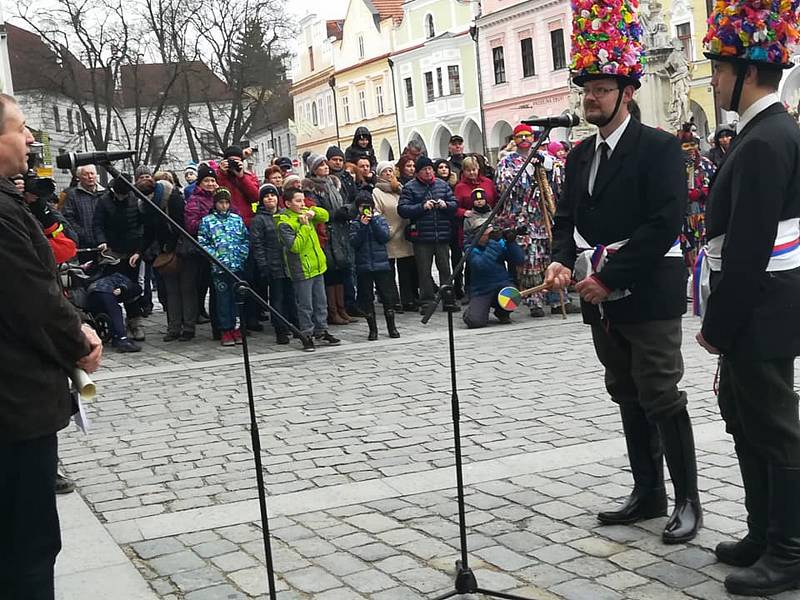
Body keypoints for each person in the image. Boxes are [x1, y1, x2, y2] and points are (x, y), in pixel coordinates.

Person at [545, 0, 702, 546]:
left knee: (661, 391)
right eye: (586, 88)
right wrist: (561, 258)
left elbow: (665, 225)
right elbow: (566, 220)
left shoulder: (658, 147)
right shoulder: (578, 156)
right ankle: (647, 491)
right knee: (625, 391)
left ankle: (686, 500)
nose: (591, 97)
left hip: (647, 291)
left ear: (628, 92)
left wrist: (610, 277)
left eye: (603, 89)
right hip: (598, 296)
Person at [696, 5, 800, 596]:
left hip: (760, 307)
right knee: (746, 420)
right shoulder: (765, 131)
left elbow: (752, 246)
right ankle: (764, 531)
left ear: (748, 71)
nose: (713, 80)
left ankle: (789, 549)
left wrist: (720, 324)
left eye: (718, 68)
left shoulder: (766, 139)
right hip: (759, 307)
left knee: (774, 425)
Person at [0, 92, 102, 600]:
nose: (30, 139)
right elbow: (30, 294)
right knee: (27, 546)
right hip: (14, 404)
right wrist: (78, 335)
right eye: (20, 129)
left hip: (17, 398)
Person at [494, 124, 561, 317]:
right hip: (524, 221)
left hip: (544, 218)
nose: (524, 139)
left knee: (551, 258)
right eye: (520, 136)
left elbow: (558, 172)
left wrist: (547, 167)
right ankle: (535, 301)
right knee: (530, 262)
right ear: (514, 140)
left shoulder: (542, 157)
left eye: (527, 136)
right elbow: (507, 186)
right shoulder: (507, 162)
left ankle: (558, 299)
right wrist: (527, 172)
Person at [276, 187, 340, 351]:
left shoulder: (306, 212)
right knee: (305, 304)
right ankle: (306, 334)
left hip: (316, 265)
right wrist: (304, 226)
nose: (301, 203)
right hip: (301, 269)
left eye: (302, 200)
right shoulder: (284, 222)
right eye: (298, 201)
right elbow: (295, 247)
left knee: (321, 302)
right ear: (288, 203)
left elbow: (325, 216)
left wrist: (313, 210)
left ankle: (321, 330)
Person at [398, 156, 457, 313]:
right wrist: (422, 207)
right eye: (425, 170)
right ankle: (427, 302)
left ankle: (448, 300)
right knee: (424, 271)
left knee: (445, 269)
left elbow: (454, 204)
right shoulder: (410, 187)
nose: (428, 172)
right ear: (417, 172)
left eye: (430, 169)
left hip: (442, 234)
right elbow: (403, 209)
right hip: (422, 236)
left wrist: (446, 204)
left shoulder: (442, 185)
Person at [304, 153, 356, 326]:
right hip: (326, 231)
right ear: (314, 169)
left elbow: (347, 200)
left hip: (340, 231)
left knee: (341, 270)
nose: (326, 167)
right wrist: (335, 214)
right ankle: (332, 311)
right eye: (321, 165)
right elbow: (317, 210)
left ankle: (342, 308)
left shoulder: (334, 183)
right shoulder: (310, 187)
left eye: (326, 165)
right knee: (331, 272)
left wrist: (348, 210)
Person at [93, 174, 147, 342]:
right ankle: (114, 322)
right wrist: (102, 241)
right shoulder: (104, 201)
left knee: (131, 288)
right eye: (119, 194)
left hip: (132, 250)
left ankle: (134, 321)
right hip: (112, 251)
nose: (122, 197)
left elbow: (143, 227)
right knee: (112, 287)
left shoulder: (136, 200)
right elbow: (97, 224)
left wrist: (139, 250)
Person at [143, 178, 198, 342]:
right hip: (165, 253)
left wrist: (171, 244)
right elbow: (149, 231)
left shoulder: (173, 198)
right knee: (171, 291)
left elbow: (182, 225)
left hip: (184, 250)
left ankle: (188, 327)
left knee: (187, 288)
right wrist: (141, 250)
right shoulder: (147, 206)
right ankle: (174, 327)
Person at [198, 188, 249, 347]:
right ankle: (225, 329)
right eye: (221, 202)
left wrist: (241, 256)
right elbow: (203, 242)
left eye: (227, 202)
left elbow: (245, 240)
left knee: (237, 298)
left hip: (236, 266)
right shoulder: (207, 221)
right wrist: (216, 258)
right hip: (219, 268)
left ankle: (238, 328)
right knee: (223, 299)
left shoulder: (236, 220)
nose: (224, 206)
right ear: (215, 203)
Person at [349, 191, 400, 340]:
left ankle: (392, 327)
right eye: (362, 207)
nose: (366, 210)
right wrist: (363, 226)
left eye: (368, 206)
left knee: (387, 296)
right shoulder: (355, 223)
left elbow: (384, 237)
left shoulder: (380, 220)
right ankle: (373, 329)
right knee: (367, 297)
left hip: (381, 264)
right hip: (363, 266)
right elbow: (354, 243)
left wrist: (373, 222)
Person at [251, 183, 297, 345]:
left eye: (273, 195)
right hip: (273, 264)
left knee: (291, 296)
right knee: (277, 297)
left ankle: (295, 325)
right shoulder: (259, 219)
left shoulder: (285, 214)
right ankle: (280, 328)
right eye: (266, 196)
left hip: (288, 263)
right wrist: (263, 265)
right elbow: (257, 244)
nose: (270, 198)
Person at [372, 160, 417, 311]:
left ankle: (408, 299)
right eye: (385, 171)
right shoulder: (376, 192)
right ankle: (392, 301)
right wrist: (386, 229)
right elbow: (376, 213)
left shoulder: (399, 188)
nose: (388, 174)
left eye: (390, 171)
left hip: (404, 234)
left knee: (405, 270)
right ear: (380, 174)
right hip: (389, 234)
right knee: (389, 272)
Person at [462, 225, 524, 328]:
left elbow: (519, 260)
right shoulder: (470, 248)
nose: (493, 236)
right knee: (474, 322)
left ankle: (502, 312)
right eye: (489, 234)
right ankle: (472, 311)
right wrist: (493, 243)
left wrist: (511, 242)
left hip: (501, 285)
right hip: (481, 291)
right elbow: (481, 265)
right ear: (479, 235)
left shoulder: (499, 244)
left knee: (512, 293)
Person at [676, 125, 716, 268]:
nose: (690, 148)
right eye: (686, 145)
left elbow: (717, 186)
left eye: (692, 144)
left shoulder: (706, 164)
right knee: (687, 255)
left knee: (704, 253)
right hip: (682, 219)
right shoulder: (674, 166)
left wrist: (704, 191)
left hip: (703, 216)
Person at [215, 145, 260, 228]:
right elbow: (219, 195)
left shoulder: (249, 176)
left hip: (246, 222)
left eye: (237, 161)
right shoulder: (217, 176)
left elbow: (255, 197)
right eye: (231, 161)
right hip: (225, 223)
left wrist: (242, 178)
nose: (234, 164)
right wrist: (222, 174)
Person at [62, 163, 105, 248]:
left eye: (92, 173)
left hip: (104, 242)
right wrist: (82, 233)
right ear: (79, 177)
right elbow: (67, 217)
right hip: (83, 243)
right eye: (86, 174)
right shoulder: (72, 195)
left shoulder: (105, 193)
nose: (90, 177)